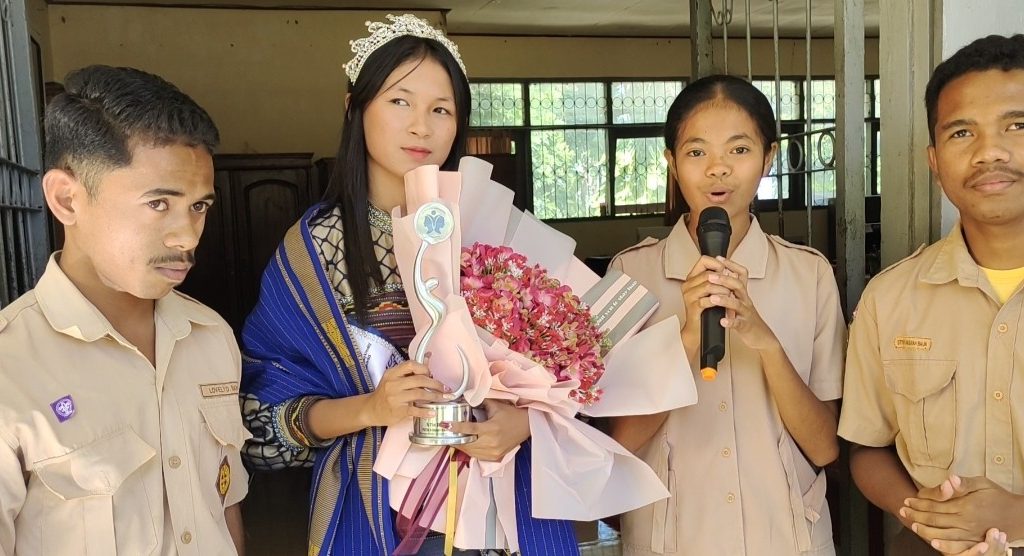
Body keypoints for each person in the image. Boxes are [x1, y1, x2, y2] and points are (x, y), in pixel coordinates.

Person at [239, 14, 579, 555]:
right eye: (400, 102)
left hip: (503, 501)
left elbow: (571, 376)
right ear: (355, 108)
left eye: (441, 109)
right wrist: (370, 409)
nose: (422, 126)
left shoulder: (496, 233)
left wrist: (522, 423)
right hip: (376, 513)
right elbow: (260, 418)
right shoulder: (314, 250)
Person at [0, 65, 248, 555]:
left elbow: (224, 505)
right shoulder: (11, 365)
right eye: (159, 203)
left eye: (199, 206)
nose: (187, 237)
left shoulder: (211, 336)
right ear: (67, 198)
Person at [609, 75, 845, 555]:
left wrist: (768, 345)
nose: (718, 170)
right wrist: (687, 340)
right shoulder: (630, 275)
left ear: (769, 158)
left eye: (739, 150)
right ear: (673, 164)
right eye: (696, 153)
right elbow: (616, 446)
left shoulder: (809, 275)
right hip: (670, 537)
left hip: (786, 536)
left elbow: (824, 448)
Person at [839, 33, 1024, 556]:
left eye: (1017, 124)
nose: (990, 151)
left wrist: (1016, 515)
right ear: (935, 159)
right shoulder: (890, 297)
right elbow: (867, 448)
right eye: (962, 132)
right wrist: (924, 521)